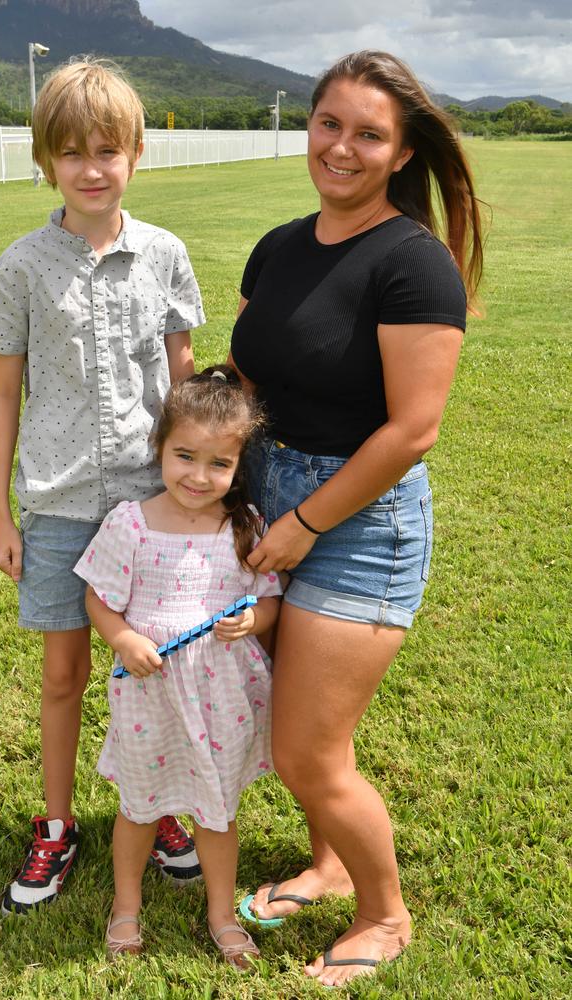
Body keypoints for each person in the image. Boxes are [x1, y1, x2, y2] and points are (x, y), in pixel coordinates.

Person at [229, 50, 484, 985]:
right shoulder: (281, 244)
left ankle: (384, 915)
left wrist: (302, 525)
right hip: (263, 493)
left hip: (360, 522)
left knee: (307, 747)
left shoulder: (414, 267)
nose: (342, 147)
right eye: (329, 123)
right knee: (298, 723)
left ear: (403, 151)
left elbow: (413, 429)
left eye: (368, 133)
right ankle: (329, 867)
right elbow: (254, 373)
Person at [0, 59, 206, 916]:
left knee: (156, 668)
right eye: (70, 152)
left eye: (107, 149)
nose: (91, 167)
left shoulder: (166, 255)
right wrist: (3, 511)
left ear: (137, 153)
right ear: (46, 161)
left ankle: (162, 809)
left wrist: (203, 499)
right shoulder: (23, 265)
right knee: (67, 674)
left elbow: (185, 384)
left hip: (154, 507)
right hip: (61, 504)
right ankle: (58, 823)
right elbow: (5, 391)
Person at [73, 367, 282, 965]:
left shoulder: (243, 527)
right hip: (151, 692)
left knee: (217, 810)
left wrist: (254, 622)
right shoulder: (131, 524)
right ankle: (126, 908)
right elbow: (99, 597)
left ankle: (221, 915)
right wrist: (120, 638)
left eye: (218, 464)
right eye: (184, 456)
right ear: (159, 448)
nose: (198, 475)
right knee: (139, 806)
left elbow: (267, 597)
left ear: (239, 466)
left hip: (221, 693)